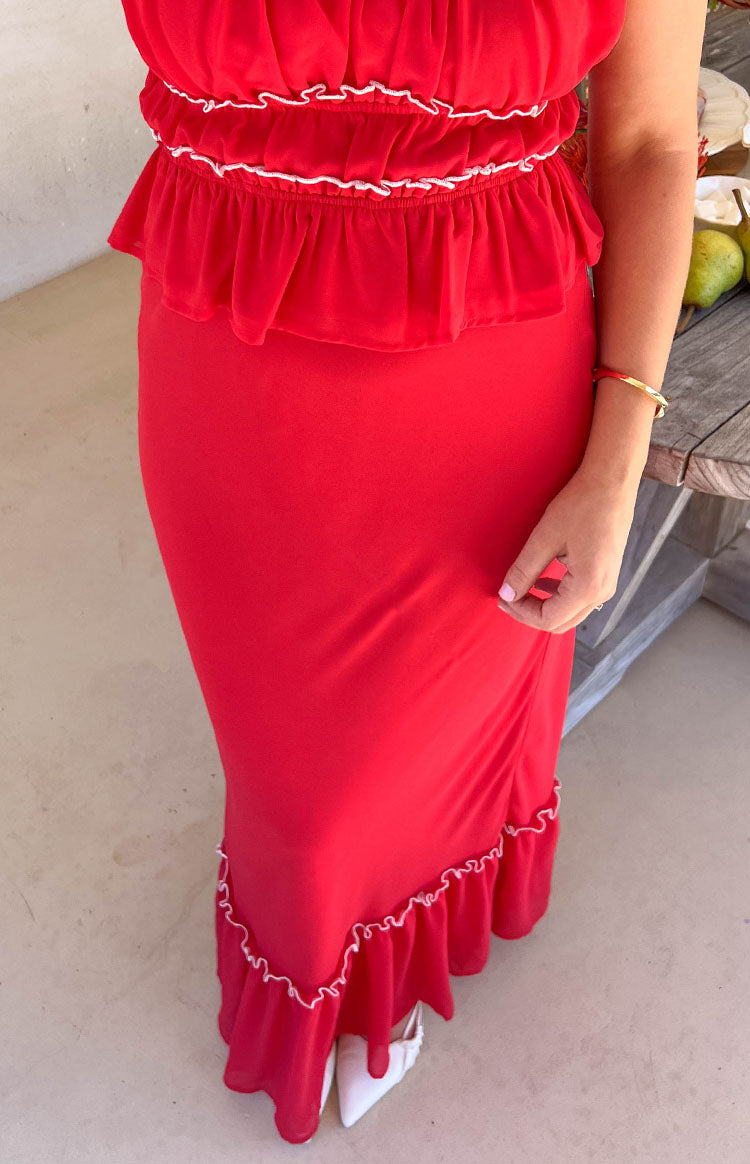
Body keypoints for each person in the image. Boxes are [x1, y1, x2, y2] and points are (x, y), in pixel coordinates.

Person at [106, 0, 708, 1145]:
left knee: (442, 714)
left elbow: (645, 142)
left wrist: (615, 463)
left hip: (483, 364)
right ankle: (324, 949)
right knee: (292, 773)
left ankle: (395, 941)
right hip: (225, 343)